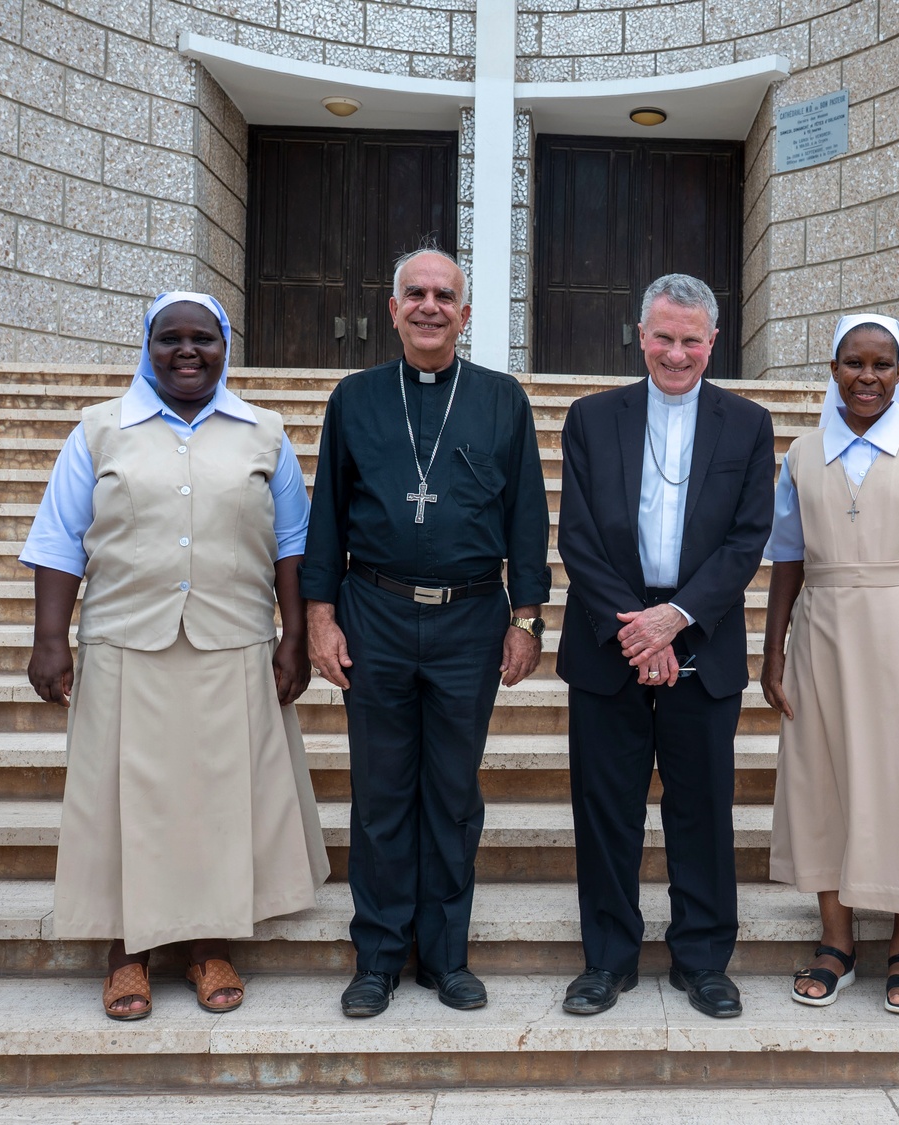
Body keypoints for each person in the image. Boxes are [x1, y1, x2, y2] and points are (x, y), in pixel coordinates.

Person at [22, 292, 328, 1020]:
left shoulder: (264, 433)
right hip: (127, 642)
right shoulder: (99, 430)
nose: (187, 352)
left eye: (203, 339)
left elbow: (293, 544)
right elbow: (61, 540)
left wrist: (293, 637)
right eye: (170, 339)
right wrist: (48, 639)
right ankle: (124, 951)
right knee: (121, 798)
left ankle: (208, 945)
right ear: (147, 346)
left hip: (233, 644)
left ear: (225, 346)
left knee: (221, 799)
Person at [302, 247, 550, 1018]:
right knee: (379, 795)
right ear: (393, 307)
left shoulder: (502, 399)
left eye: (446, 295)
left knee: (451, 793)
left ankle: (446, 956)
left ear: (466, 314)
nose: (431, 305)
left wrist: (528, 617)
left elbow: (527, 518)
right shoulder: (355, 396)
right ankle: (376, 956)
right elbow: (327, 515)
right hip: (373, 610)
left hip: (471, 618)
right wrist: (318, 615)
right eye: (416, 292)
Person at [554, 274, 776, 1019]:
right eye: (662, 336)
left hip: (701, 642)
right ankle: (608, 960)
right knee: (606, 810)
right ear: (639, 334)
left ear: (713, 342)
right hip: (609, 639)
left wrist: (675, 618)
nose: (675, 352)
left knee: (702, 810)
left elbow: (748, 539)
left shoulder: (746, 424)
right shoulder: (591, 418)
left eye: (690, 339)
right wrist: (636, 627)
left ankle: (703, 960)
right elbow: (577, 537)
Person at [761, 313, 899, 1015]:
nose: (868, 376)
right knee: (825, 777)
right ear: (833, 370)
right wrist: (772, 651)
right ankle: (835, 940)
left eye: (882, 364)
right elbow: (788, 561)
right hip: (824, 631)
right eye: (854, 363)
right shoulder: (802, 453)